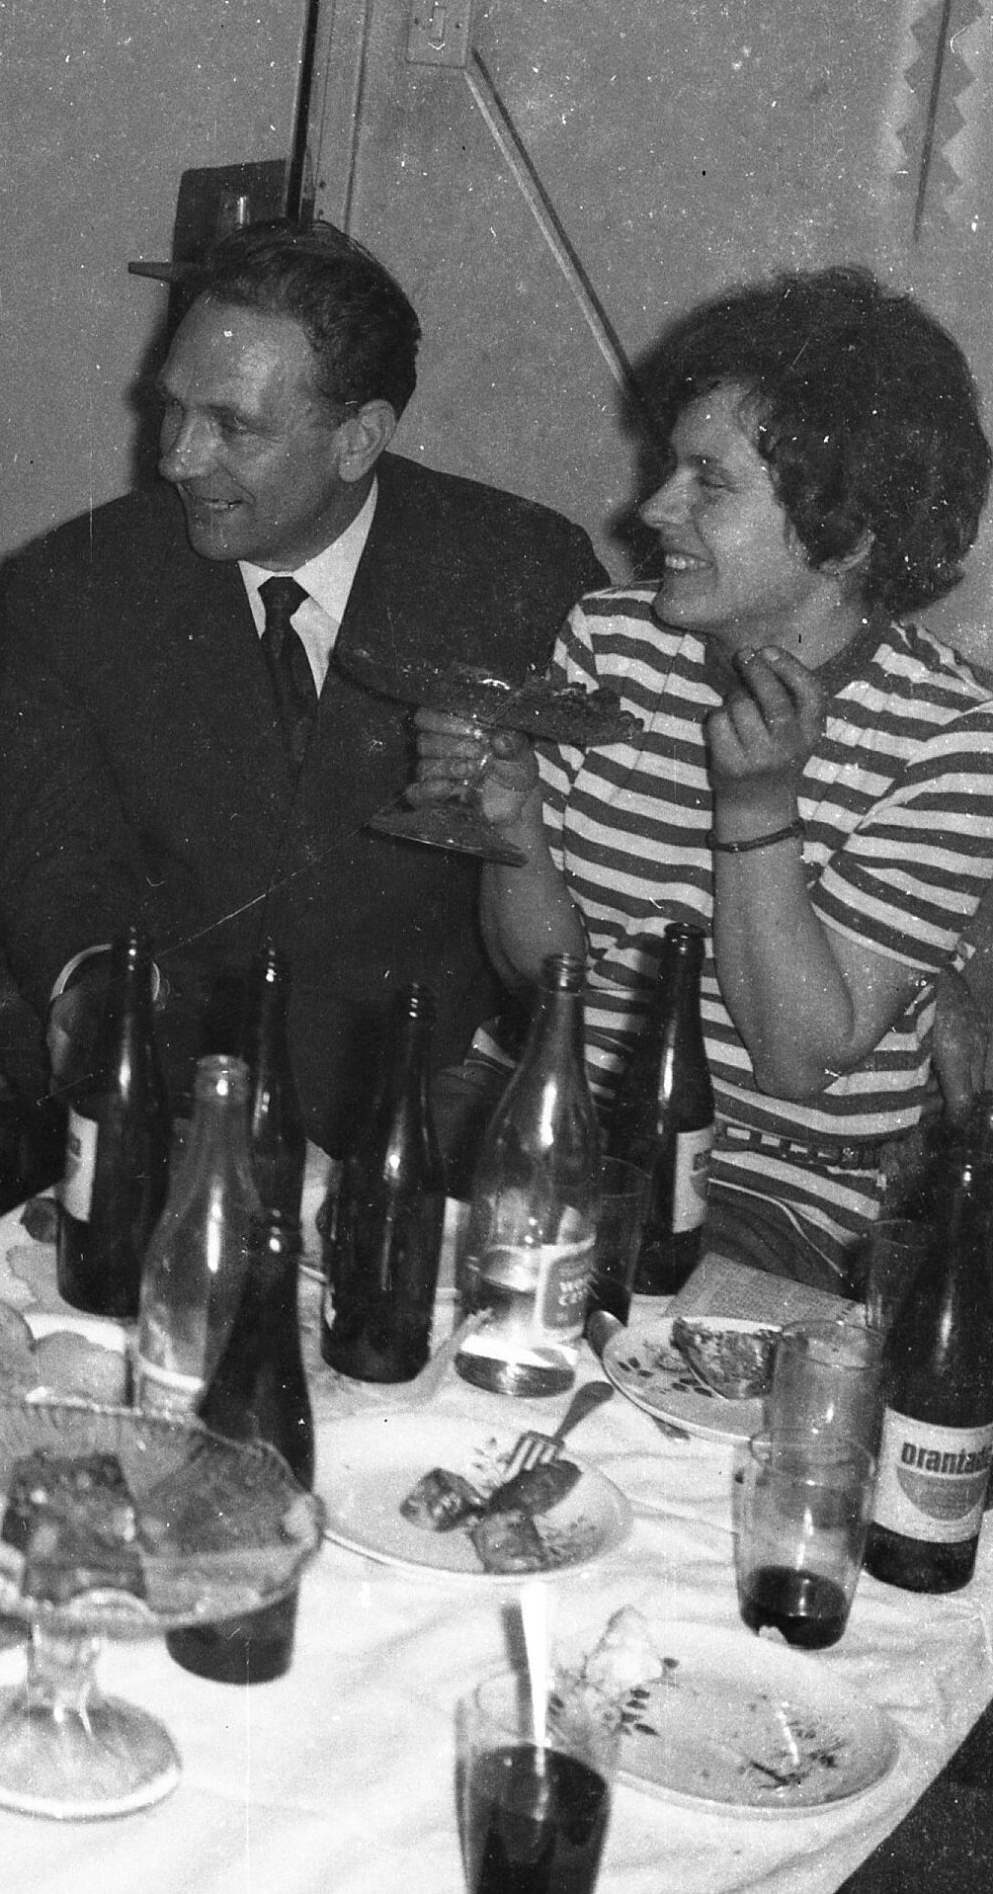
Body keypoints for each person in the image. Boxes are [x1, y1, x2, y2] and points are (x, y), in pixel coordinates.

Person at [0, 219, 606, 1159]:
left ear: (358, 439)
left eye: (234, 426)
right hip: (182, 1064)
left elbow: (586, 881)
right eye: (173, 408)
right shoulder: (75, 588)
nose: (179, 457)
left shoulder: (520, 574)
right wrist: (98, 989)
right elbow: (55, 862)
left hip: (429, 1081)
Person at [417, 265, 993, 1288]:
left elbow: (796, 1059)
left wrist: (757, 807)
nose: (652, 506)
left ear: (847, 535)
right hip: (559, 1125)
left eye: (708, 482)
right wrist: (512, 817)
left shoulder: (951, 738)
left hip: (770, 1193)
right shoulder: (611, 641)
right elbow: (547, 977)